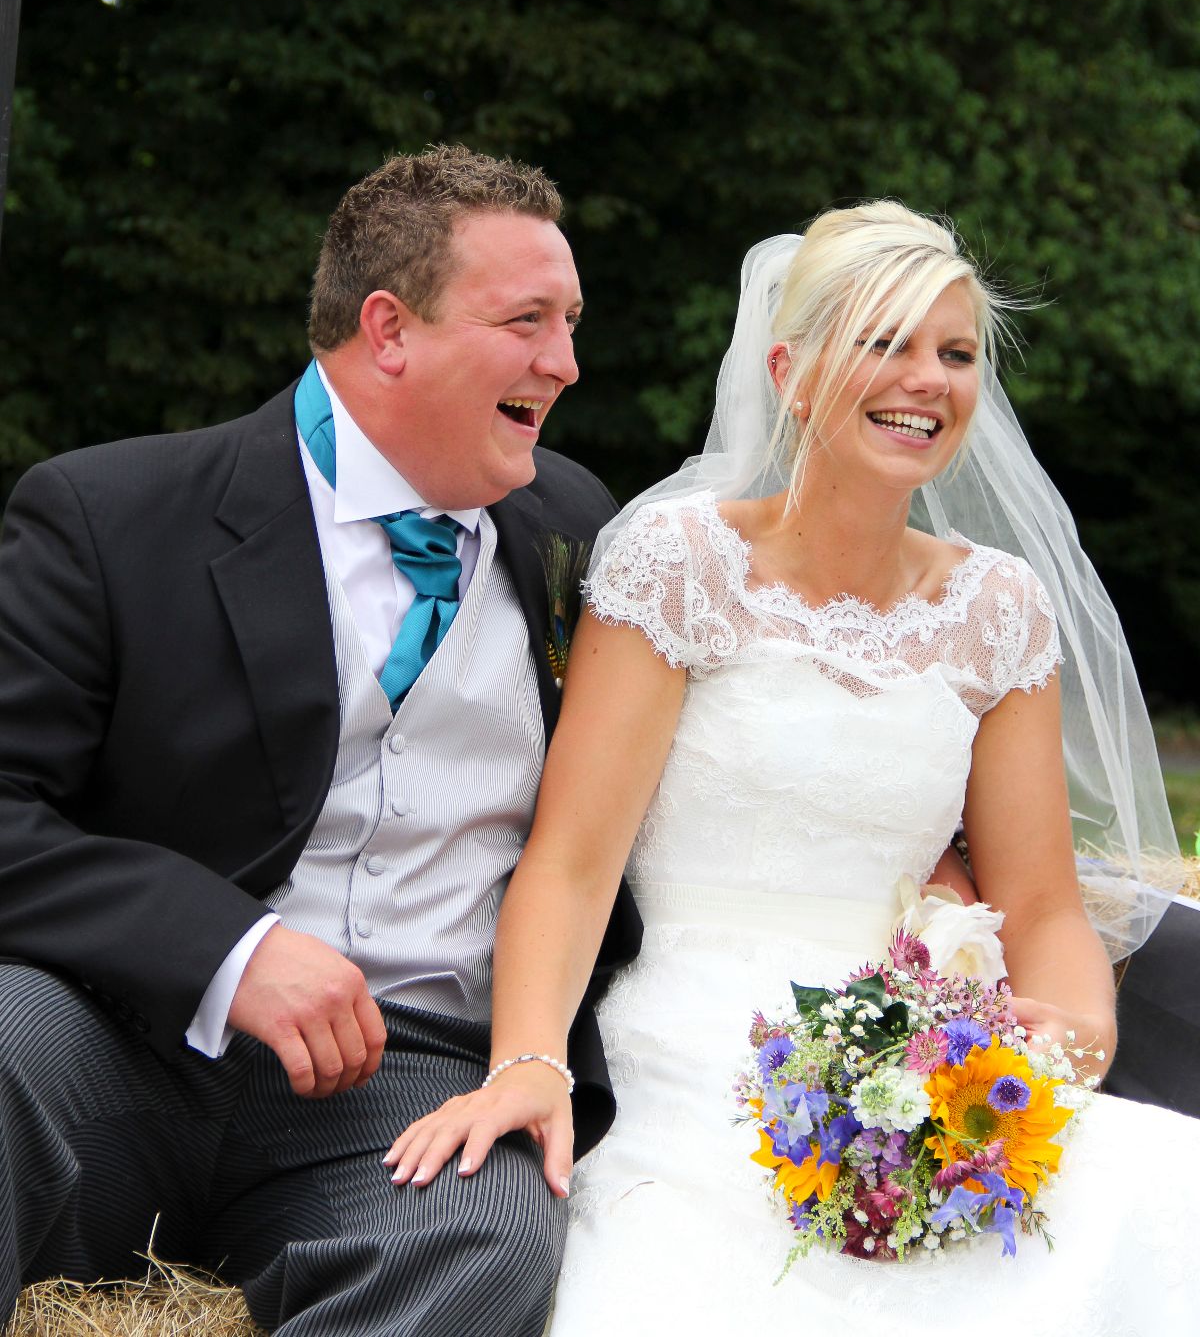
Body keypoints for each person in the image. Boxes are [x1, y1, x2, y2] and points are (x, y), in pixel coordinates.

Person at [390, 202, 1199, 1334]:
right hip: (691, 1037)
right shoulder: (681, 565)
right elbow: (571, 864)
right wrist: (529, 1061)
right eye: (885, 341)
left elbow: (1045, 906)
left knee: (1161, 1203)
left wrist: (1057, 1046)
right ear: (791, 374)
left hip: (920, 1045)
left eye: (955, 353)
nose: (927, 379)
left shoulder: (998, 607)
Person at [0, 144, 641, 1337]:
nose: (565, 362)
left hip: (412, 1080)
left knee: (492, 1234)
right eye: (528, 321)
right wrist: (225, 950)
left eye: (571, 324)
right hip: (116, 1035)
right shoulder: (110, 514)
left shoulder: (579, 529)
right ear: (389, 330)